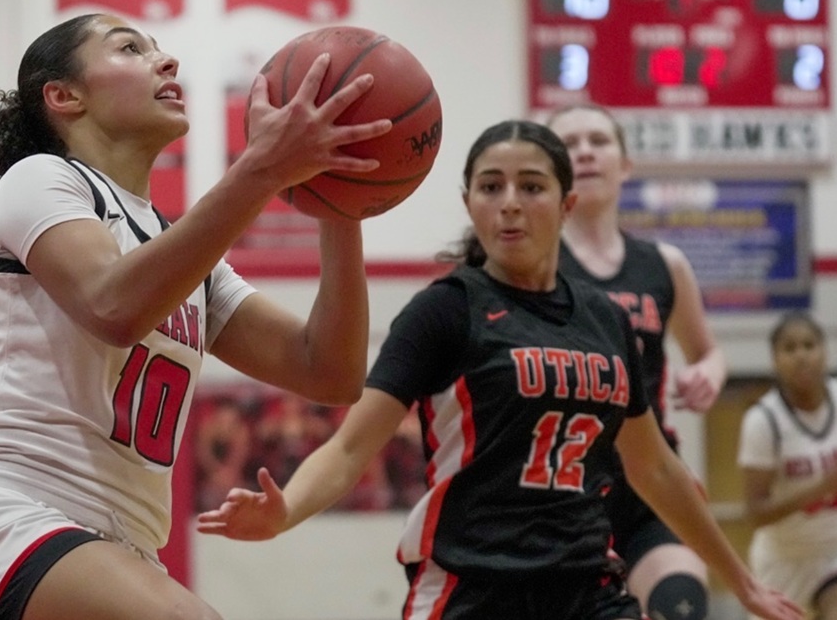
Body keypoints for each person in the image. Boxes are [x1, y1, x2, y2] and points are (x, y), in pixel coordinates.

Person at [197, 119, 802, 620]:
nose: (510, 202)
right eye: (491, 186)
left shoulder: (606, 320)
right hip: (474, 586)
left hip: (586, 587)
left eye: (531, 186)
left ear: (566, 204)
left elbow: (656, 467)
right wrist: (286, 512)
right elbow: (353, 448)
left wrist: (742, 583)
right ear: (469, 203)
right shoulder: (445, 310)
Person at [0, 12, 393, 620]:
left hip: (120, 546)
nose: (166, 62)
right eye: (130, 49)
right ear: (64, 97)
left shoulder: (183, 254)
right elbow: (113, 306)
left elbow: (328, 370)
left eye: (161, 49)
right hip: (10, 517)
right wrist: (263, 167)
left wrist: (337, 200)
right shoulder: (40, 180)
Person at [545, 103, 726, 619]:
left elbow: (707, 350)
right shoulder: (532, 265)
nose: (584, 151)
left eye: (598, 141)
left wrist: (707, 374)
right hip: (563, 491)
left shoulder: (664, 264)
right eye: (570, 143)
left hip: (650, 481)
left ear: (625, 164)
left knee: (681, 605)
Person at [737, 311, 837, 620]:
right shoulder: (763, 420)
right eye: (790, 348)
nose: (802, 356)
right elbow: (756, 513)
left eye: (809, 345)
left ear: (824, 351)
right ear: (775, 359)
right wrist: (821, 488)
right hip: (783, 561)